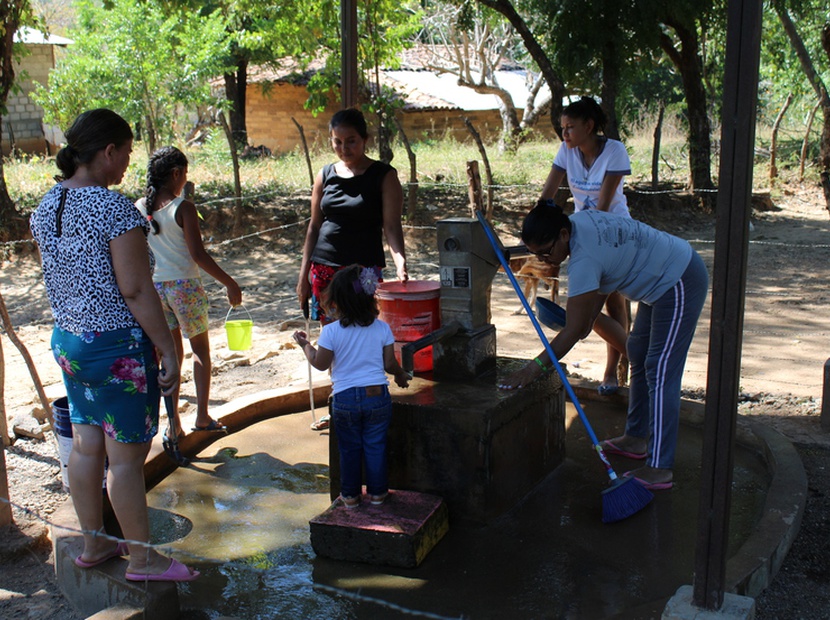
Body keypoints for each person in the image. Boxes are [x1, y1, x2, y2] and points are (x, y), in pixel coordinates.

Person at [30, 109, 198, 581]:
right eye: (125, 151)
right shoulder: (113, 209)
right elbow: (137, 290)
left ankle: (95, 543)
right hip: (116, 348)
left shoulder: (46, 207)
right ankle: (144, 559)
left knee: (86, 447)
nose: (128, 163)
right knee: (125, 458)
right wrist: (166, 348)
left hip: (70, 342)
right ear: (107, 151)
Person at [498, 202, 708, 490]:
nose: (544, 260)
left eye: (546, 252)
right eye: (536, 254)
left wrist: (533, 368)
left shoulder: (583, 260)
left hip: (679, 278)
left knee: (660, 372)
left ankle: (660, 468)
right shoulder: (578, 223)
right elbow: (596, 295)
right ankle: (635, 438)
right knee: (638, 354)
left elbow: (573, 331)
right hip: (657, 283)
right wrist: (584, 322)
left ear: (562, 234)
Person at [297, 107, 408, 431]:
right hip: (325, 270)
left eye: (351, 141)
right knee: (334, 337)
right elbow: (314, 226)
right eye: (337, 142)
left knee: (365, 332)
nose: (345, 149)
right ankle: (339, 405)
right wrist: (303, 274)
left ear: (366, 140)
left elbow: (391, 226)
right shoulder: (325, 174)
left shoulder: (384, 176)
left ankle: (368, 401)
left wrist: (400, 260)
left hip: (365, 272)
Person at [136, 146, 242, 438]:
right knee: (200, 351)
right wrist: (229, 282)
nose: (185, 179)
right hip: (184, 287)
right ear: (175, 174)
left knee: (170, 355)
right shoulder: (183, 207)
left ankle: (174, 425)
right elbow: (198, 255)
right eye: (185, 174)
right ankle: (203, 416)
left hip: (157, 289)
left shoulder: (140, 206)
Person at [293, 265, 411, 507]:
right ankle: (378, 495)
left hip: (345, 400)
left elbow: (319, 363)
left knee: (349, 450)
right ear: (370, 299)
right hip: (377, 396)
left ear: (336, 301)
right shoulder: (382, 328)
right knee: (375, 447)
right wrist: (400, 375)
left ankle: (350, 497)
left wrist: (304, 344)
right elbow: (390, 364)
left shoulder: (331, 332)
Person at [540, 96, 632, 395]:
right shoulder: (567, 152)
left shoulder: (614, 151)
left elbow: (604, 206)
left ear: (589, 126)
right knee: (589, 308)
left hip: (614, 233)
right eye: (562, 128)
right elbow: (548, 196)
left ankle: (614, 371)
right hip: (582, 233)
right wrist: (537, 227)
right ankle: (638, 361)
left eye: (570, 127)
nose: (564, 134)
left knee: (611, 302)